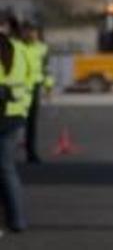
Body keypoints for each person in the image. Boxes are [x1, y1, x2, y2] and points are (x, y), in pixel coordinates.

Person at [0, 23, 32, 235]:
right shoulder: (21, 49)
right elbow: (29, 79)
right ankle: (17, 219)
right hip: (16, 114)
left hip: (3, 113)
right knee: (7, 170)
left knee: (5, 170)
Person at [19, 22, 50, 165]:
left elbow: (45, 69)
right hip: (18, 88)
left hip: (34, 89)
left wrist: (48, 86)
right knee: (12, 124)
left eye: (33, 32)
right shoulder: (17, 47)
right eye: (27, 31)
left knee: (31, 124)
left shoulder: (42, 49)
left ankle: (31, 153)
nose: (31, 34)